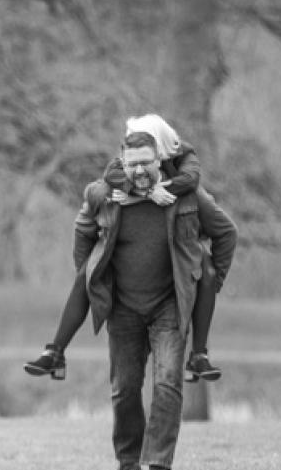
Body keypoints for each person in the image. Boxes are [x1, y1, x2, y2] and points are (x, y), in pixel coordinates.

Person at [72, 129, 237, 470]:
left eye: (146, 162)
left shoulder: (187, 196)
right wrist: (89, 278)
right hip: (123, 308)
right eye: (133, 165)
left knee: (167, 382)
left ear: (159, 161)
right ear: (122, 164)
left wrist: (209, 283)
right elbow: (83, 230)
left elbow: (226, 233)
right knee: (125, 388)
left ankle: (159, 466)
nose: (140, 170)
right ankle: (129, 458)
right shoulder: (109, 196)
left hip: (168, 306)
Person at [24, 114, 224, 384]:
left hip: (182, 243)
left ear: (159, 150)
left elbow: (191, 184)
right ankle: (55, 351)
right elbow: (109, 180)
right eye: (130, 154)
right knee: (88, 272)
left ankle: (199, 354)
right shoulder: (113, 179)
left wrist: (209, 284)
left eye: (145, 156)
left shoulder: (185, 159)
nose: (136, 162)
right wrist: (142, 192)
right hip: (128, 279)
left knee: (208, 274)